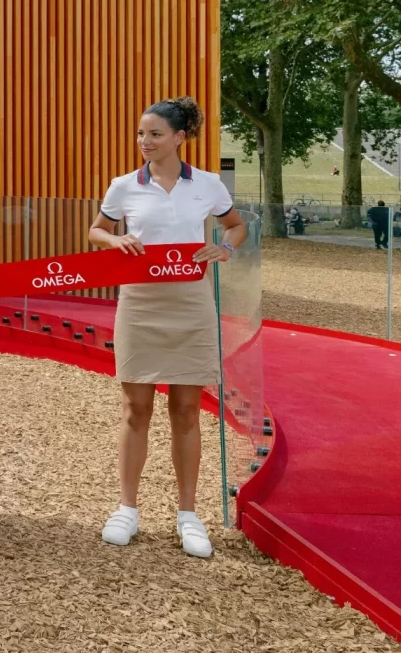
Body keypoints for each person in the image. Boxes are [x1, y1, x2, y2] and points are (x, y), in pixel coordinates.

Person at [88, 97, 247, 559]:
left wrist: (226, 249)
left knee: (186, 411)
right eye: (141, 134)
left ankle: (188, 515)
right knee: (135, 409)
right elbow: (97, 230)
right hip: (139, 302)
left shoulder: (209, 185)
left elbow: (234, 227)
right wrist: (116, 238)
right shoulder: (123, 186)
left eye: (155, 134)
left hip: (191, 303)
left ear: (180, 137)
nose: (145, 142)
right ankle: (127, 509)